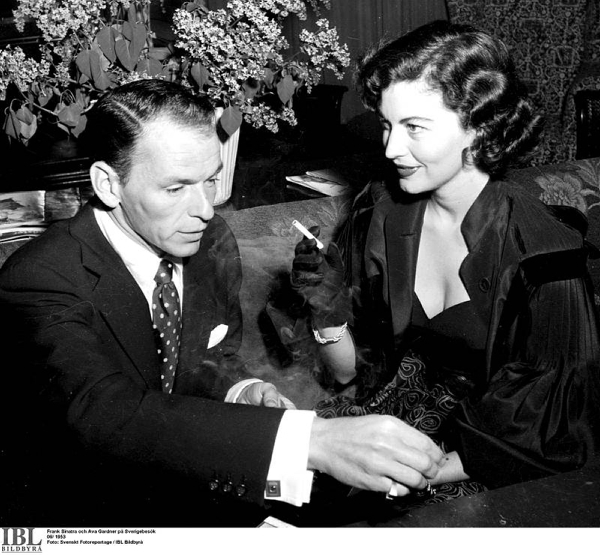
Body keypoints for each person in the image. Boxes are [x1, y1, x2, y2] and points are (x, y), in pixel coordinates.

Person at [0, 79, 444, 527]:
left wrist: (239, 390)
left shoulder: (210, 240)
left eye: (210, 180)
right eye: (175, 188)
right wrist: (310, 441)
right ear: (108, 184)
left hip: (190, 487)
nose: (206, 209)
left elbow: (213, 355)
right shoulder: (38, 278)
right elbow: (102, 411)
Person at [290, 20, 600, 506]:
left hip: (483, 465)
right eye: (387, 125)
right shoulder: (380, 212)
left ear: (480, 127)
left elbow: (548, 438)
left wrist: (415, 474)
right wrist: (325, 312)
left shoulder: (545, 258)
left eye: (414, 127)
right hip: (387, 427)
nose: (391, 148)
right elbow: (348, 376)